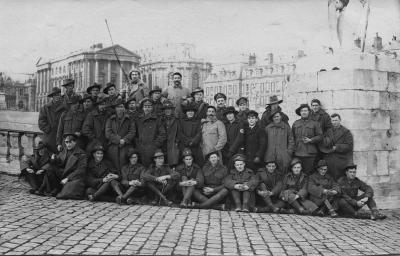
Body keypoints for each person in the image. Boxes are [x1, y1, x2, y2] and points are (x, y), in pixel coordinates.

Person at [45, 134, 87, 199]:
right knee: (50, 168)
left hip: (73, 176)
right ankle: (56, 188)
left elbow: (81, 170)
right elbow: (58, 162)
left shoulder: (81, 154)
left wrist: (68, 178)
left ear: (75, 142)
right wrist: (53, 159)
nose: (68, 144)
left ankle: (60, 189)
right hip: (63, 173)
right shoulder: (64, 151)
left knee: (64, 195)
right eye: (66, 142)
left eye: (70, 142)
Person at [292, 104, 323, 175]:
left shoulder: (315, 123)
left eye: (305, 110)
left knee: (308, 174)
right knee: (298, 174)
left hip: (310, 154)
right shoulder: (296, 123)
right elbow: (292, 138)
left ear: (309, 112)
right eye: (302, 111)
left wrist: (311, 140)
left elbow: (320, 136)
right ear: (300, 112)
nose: (304, 112)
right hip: (298, 153)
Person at [105, 99, 136, 170]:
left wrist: (124, 140)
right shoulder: (110, 119)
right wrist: (119, 140)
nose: (120, 109)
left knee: (125, 164)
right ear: (115, 108)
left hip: (126, 146)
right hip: (113, 146)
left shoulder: (129, 119)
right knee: (113, 166)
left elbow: (132, 131)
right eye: (118, 107)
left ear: (124, 108)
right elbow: (108, 133)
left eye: (122, 106)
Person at [321, 113, 354, 180]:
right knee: (330, 178)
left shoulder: (346, 132)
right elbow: (323, 141)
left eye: (336, 120)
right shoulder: (328, 131)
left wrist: (337, 147)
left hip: (341, 159)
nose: (334, 122)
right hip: (330, 159)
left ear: (340, 120)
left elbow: (349, 146)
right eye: (333, 120)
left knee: (340, 178)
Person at [136, 98, 167, 167]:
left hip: (152, 149)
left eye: (149, 107)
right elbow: (135, 134)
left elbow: (162, 134)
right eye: (145, 106)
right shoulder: (138, 119)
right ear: (142, 108)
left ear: (152, 108)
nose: (147, 108)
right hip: (141, 148)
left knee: (151, 167)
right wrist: (138, 144)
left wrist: (154, 145)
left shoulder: (157, 119)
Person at [264, 110, 294, 175]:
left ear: (281, 117)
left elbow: (291, 140)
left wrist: (289, 152)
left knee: (283, 173)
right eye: (274, 117)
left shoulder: (286, 127)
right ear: (272, 118)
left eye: (277, 116)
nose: (276, 118)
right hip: (270, 155)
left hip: (283, 156)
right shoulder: (268, 128)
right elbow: (264, 141)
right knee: (271, 173)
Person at [38, 87, 66, 153]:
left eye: (58, 95)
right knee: (47, 156)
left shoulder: (64, 108)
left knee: (60, 156)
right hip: (49, 137)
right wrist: (49, 129)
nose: (57, 97)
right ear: (52, 96)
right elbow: (41, 122)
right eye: (55, 95)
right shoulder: (46, 108)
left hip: (60, 137)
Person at [161, 100, 180, 167]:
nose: (167, 111)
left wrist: (177, 141)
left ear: (172, 110)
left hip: (173, 143)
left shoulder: (176, 119)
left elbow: (179, 131)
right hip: (163, 143)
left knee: (173, 162)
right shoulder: (161, 119)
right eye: (166, 109)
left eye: (169, 109)